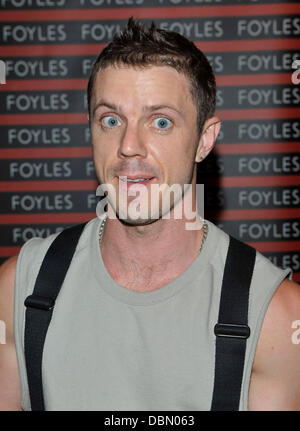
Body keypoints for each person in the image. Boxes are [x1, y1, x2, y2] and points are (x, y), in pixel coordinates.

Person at [0, 17, 299, 412]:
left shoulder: (276, 317)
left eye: (160, 122)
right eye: (111, 119)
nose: (129, 146)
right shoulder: (19, 289)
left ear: (204, 140)